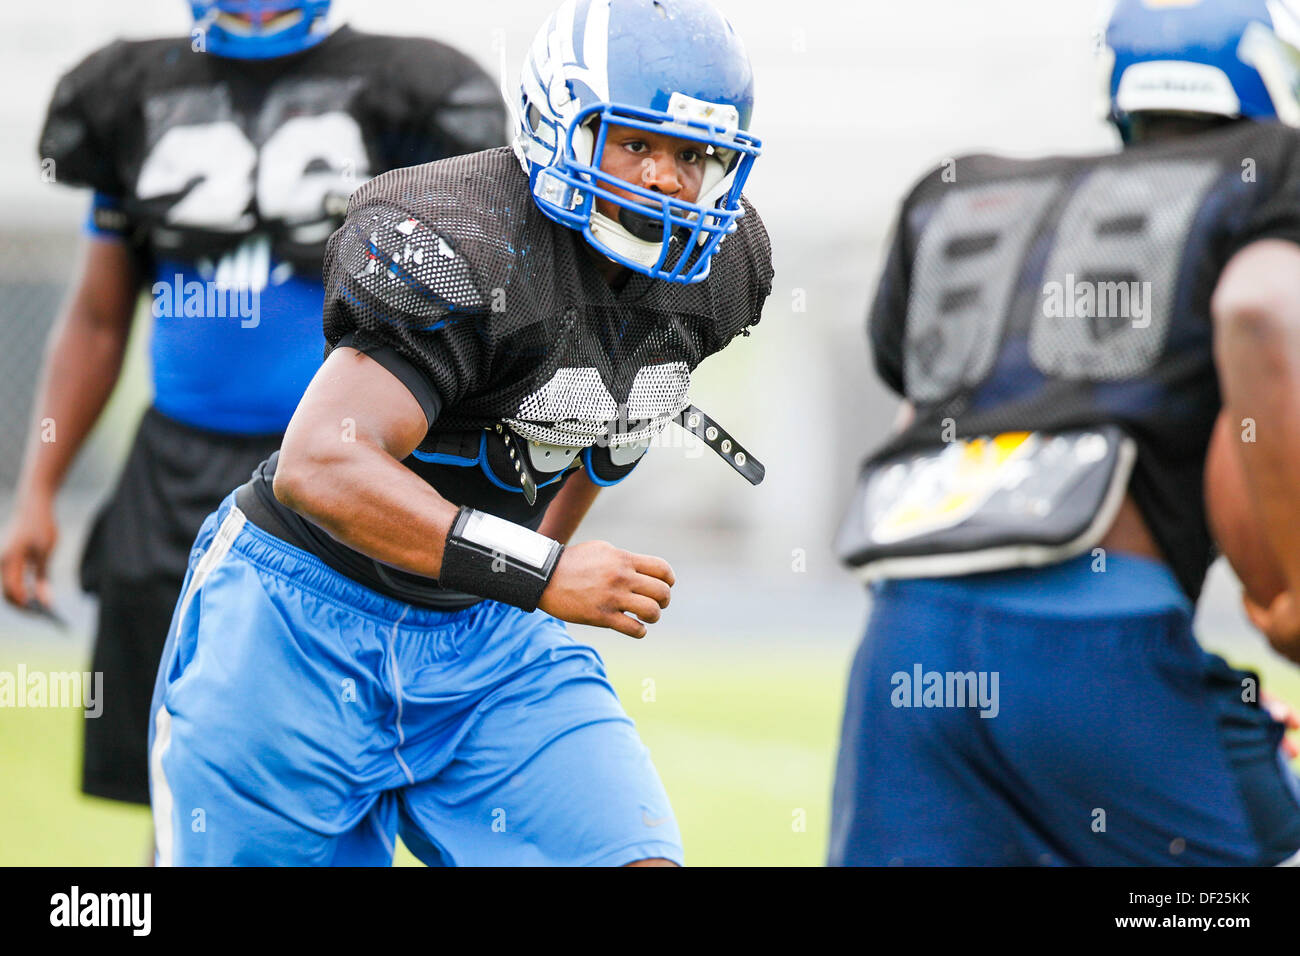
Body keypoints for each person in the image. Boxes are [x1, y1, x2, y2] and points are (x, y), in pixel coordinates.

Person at [147, 0, 773, 867]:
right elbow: (321, 463)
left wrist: (523, 579)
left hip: (481, 632)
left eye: (692, 155)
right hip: (299, 621)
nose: (668, 180)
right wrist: (541, 571)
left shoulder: (721, 269)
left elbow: (608, 424)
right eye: (636, 144)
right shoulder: (462, 236)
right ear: (564, 124)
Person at [0, 0, 506, 813]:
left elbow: (470, 313)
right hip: (173, 474)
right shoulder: (132, 90)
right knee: (177, 774)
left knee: (341, 769)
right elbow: (98, 318)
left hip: (344, 478)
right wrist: (36, 491)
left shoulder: (413, 87)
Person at [831, 0, 1300, 866]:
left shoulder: (969, 190)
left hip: (910, 635)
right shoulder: (1272, 174)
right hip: (1101, 643)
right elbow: (1262, 310)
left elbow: (923, 426)